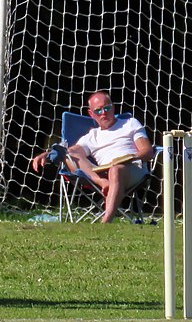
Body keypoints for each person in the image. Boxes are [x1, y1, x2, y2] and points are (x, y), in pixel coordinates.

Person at [31, 90, 153, 223]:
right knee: (69, 155)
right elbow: (69, 151)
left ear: (113, 107)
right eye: (98, 110)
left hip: (132, 169)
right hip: (103, 173)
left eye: (107, 108)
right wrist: (47, 154)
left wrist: (130, 157)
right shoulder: (92, 136)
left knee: (117, 169)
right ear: (91, 114)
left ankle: (105, 221)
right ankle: (102, 183)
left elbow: (147, 151)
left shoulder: (130, 123)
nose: (104, 113)